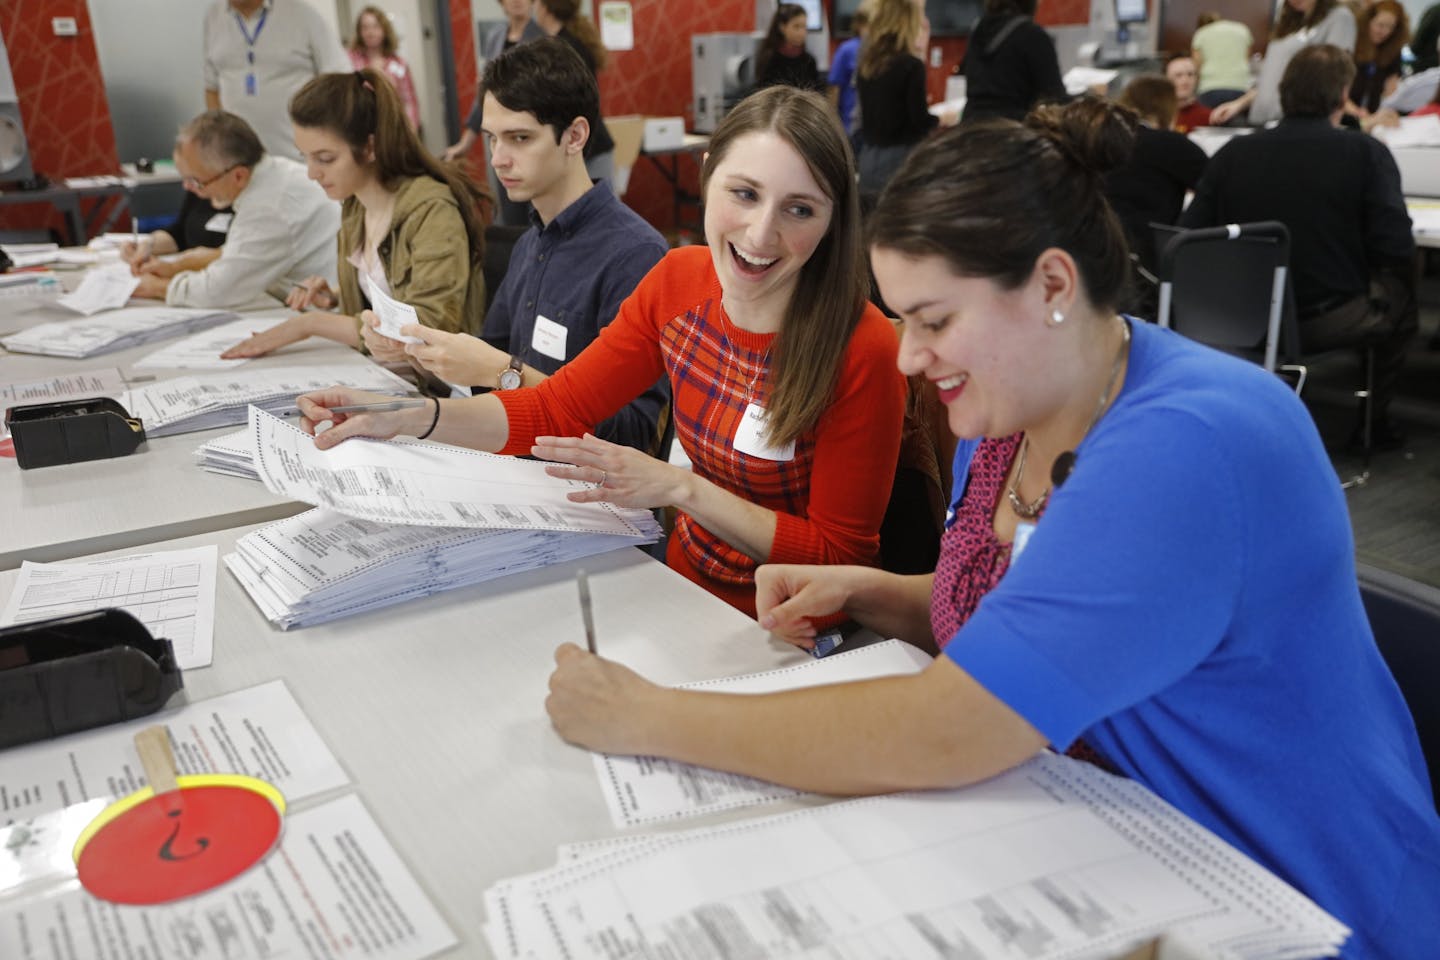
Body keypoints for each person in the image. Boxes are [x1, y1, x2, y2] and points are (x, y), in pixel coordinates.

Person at [543, 96, 1440, 960]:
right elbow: (1031, 613)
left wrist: (651, 717)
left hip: (1283, 896)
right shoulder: (1009, 411)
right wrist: (879, 594)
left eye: (934, 322)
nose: (907, 356)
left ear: (1051, 284)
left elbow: (954, 728)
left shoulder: (1189, 446)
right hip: (1103, 845)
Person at [296, 86, 907, 616]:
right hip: (676, 591)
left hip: (786, 629)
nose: (761, 233)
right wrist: (401, 418)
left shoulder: (863, 347)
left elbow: (840, 558)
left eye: (799, 210)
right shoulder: (678, 281)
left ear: (832, 220)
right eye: (744, 194)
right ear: (707, 172)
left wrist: (681, 489)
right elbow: (555, 409)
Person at [400, 39, 671, 454]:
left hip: (585, 496)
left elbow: (634, 435)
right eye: (492, 138)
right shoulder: (531, 242)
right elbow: (488, 364)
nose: (498, 159)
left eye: (520, 138)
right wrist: (429, 357)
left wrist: (502, 371)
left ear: (575, 136)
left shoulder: (636, 256)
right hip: (516, 466)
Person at [1182, 45, 1415, 450]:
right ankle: (1373, 425)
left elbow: (1190, 236)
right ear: (1344, 95)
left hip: (1240, 317)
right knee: (1403, 299)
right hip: (1328, 316)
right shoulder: (1365, 153)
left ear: (1283, 91)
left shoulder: (1234, 153)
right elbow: (1395, 246)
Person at [220, 70, 487, 361]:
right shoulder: (355, 205)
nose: (312, 173)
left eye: (325, 159)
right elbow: (390, 293)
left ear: (369, 147)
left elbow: (428, 327)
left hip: (436, 388)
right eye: (305, 157)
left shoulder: (432, 211)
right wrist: (338, 295)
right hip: (382, 372)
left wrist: (310, 324)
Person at [132, 110, 338, 309]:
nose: (188, 188)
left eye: (196, 181)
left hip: (320, 311)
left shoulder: (269, 206)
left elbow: (219, 290)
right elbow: (240, 255)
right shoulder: (275, 174)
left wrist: (157, 288)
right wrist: (173, 268)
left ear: (238, 176)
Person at [443, 0, 546, 225]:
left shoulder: (543, 39)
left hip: (529, 136)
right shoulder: (495, 37)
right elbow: (485, 96)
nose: (518, 2)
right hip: (501, 137)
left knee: (538, 211)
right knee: (510, 212)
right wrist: (465, 143)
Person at [203, 0, 348, 159]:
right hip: (241, 162)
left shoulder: (302, 14)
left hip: (299, 159)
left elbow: (340, 81)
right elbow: (212, 88)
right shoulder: (213, 17)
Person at [1106, 76, 1207, 280]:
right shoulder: (1171, 145)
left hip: (1101, 247)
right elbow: (1214, 186)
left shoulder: (1106, 140)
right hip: (1150, 260)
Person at [1210, 0, 1355, 127]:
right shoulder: (1288, 21)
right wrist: (1238, 104)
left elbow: (1337, 75)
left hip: (1298, 122)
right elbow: (1269, 77)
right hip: (1261, 118)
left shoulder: (1338, 17)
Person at [856, 0, 944, 194]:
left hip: (868, 158)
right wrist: (941, 119)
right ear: (908, 24)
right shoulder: (911, 66)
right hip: (899, 163)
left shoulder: (867, 63)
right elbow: (919, 121)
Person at [535, 0, 616, 188]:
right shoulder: (567, 41)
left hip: (589, 149)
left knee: (598, 215)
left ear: (547, 8)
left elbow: (569, 100)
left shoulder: (564, 47)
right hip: (585, 145)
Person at [961, 0, 1065, 123]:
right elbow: (1055, 97)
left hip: (970, 126)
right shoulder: (1033, 34)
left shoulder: (977, 29)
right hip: (1012, 130)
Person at [121, 191, 229, 278]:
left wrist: (175, 267)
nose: (186, 185)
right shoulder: (198, 190)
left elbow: (235, 253)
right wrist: (148, 244)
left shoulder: (244, 205)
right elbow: (178, 234)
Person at [347, 6, 421, 132]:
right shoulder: (350, 60)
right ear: (359, 32)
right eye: (365, 27)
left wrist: (411, 132)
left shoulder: (399, 64)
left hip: (392, 129)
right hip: (360, 129)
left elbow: (409, 102)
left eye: (375, 27)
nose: (370, 32)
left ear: (384, 30)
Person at [1348, 0, 1409, 116]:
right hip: (1345, 111)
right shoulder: (1351, 42)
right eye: (1380, 25)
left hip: (1372, 112)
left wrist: (1386, 111)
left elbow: (1391, 91)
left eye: (1391, 27)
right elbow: (1337, 89)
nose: (1384, 32)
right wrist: (1356, 112)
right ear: (1368, 21)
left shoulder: (1394, 50)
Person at [1190, 11, 1254, 108]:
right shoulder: (1242, 29)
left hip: (1209, 88)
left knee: (1209, 121)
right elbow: (1247, 58)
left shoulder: (1201, 33)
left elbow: (1197, 64)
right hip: (1240, 86)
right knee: (1239, 122)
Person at [827, 3, 870, 140]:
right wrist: (831, 123)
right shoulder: (847, 49)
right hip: (849, 125)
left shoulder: (881, 51)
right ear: (859, 25)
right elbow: (834, 88)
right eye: (868, 25)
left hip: (872, 125)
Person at [756, 4, 822, 91]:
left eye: (804, 27)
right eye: (796, 26)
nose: (802, 32)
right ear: (782, 27)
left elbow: (816, 92)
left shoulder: (809, 61)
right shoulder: (770, 59)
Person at [1164, 55, 1211, 131]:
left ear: (1197, 79)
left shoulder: (1207, 117)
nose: (1185, 81)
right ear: (1167, 80)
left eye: (1190, 75)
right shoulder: (1157, 116)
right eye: (1178, 75)